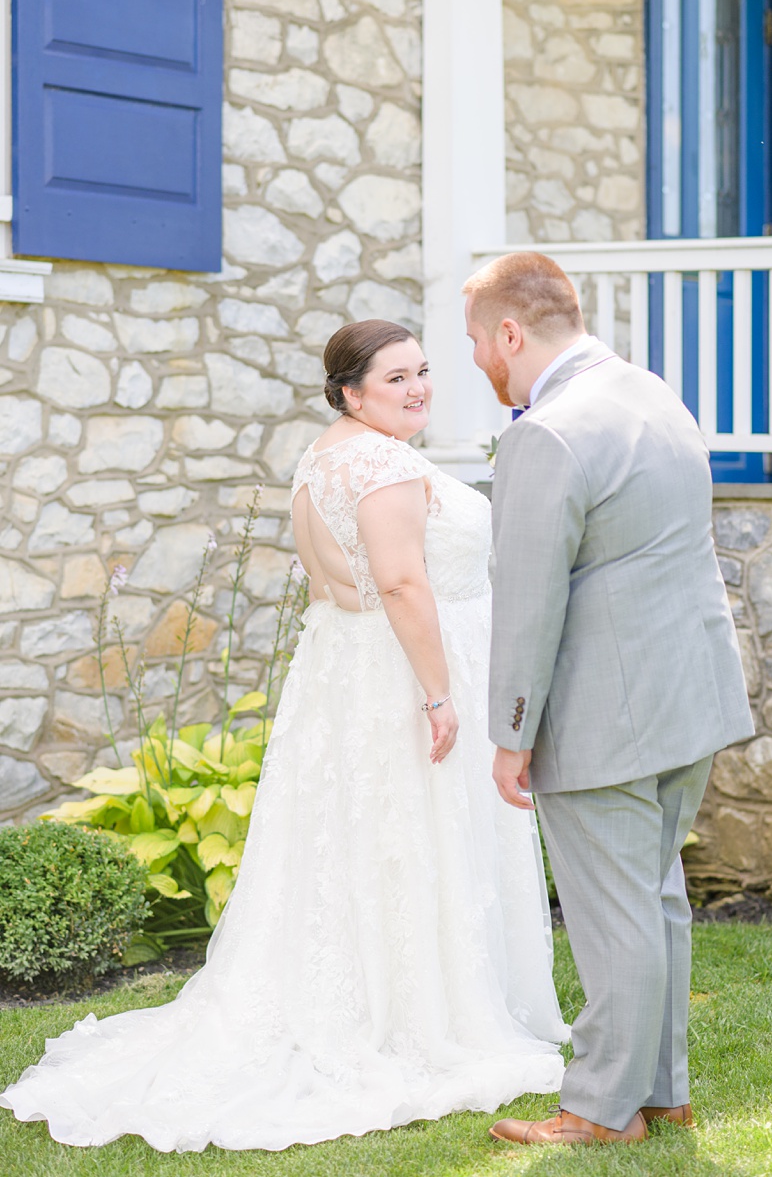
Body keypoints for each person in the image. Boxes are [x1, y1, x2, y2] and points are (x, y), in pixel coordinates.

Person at [1, 320, 568, 1152]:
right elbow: (404, 583)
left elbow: (333, 581)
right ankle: (413, 1016)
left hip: (349, 668)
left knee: (356, 841)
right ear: (349, 391)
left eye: (422, 372)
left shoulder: (322, 458)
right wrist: (441, 695)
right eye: (395, 379)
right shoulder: (382, 465)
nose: (417, 388)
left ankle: (375, 993)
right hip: (404, 672)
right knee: (407, 837)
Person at [465, 252, 755, 1148]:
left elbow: (528, 596)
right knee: (656, 894)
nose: (479, 362)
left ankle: (599, 1107)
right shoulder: (652, 393)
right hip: (690, 691)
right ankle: (663, 1089)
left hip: (607, 707)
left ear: (511, 332)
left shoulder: (546, 432)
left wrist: (511, 731)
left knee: (615, 909)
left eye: (477, 342)